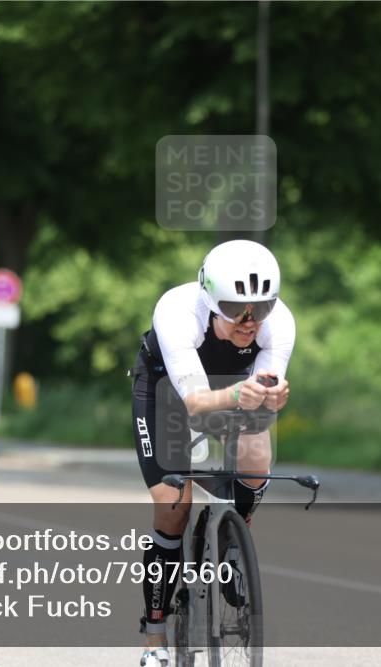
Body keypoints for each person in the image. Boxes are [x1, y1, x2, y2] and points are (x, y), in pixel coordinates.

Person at [130, 240, 294, 667]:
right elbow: (196, 403)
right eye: (235, 308)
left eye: (260, 308)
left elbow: (263, 395)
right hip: (168, 392)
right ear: (208, 298)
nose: (249, 321)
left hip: (231, 387)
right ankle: (155, 635)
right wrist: (244, 392)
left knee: (257, 448)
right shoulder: (177, 311)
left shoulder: (280, 323)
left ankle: (236, 537)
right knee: (173, 505)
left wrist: (270, 398)